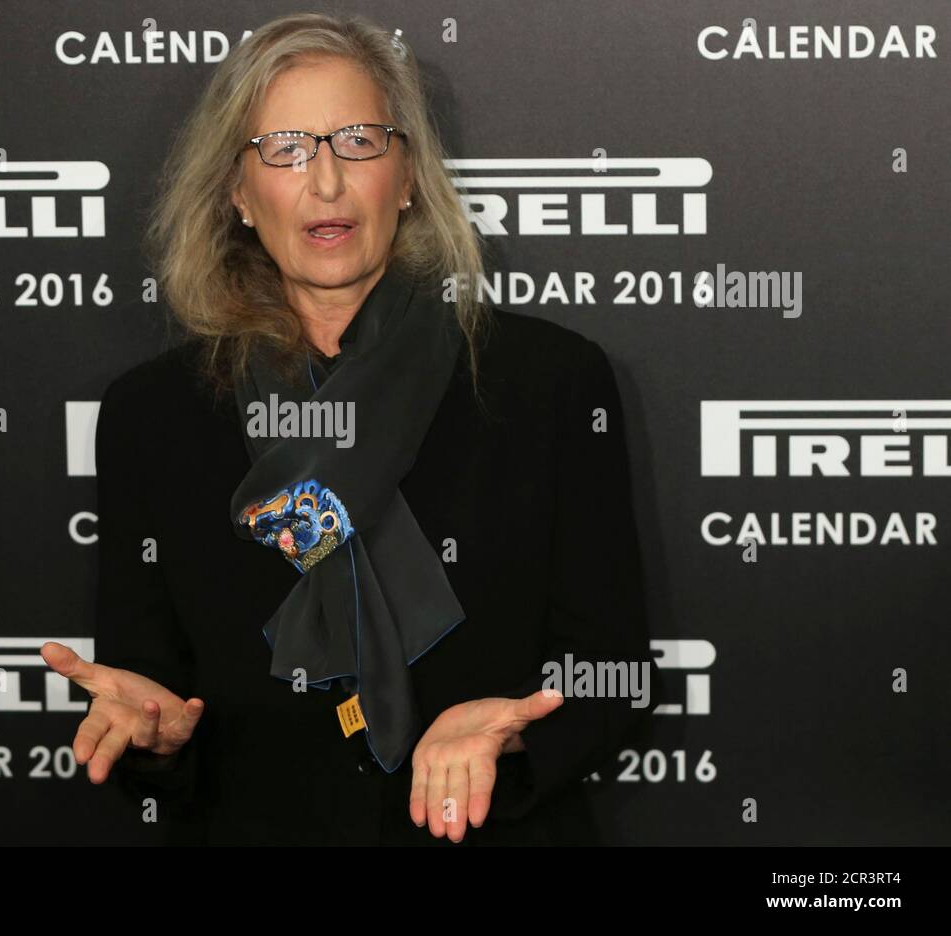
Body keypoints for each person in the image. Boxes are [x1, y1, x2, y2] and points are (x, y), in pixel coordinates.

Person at [42, 11, 659, 846]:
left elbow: (611, 674)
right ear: (236, 192)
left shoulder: (550, 382)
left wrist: (513, 735)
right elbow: (146, 685)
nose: (326, 182)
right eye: (286, 149)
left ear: (407, 179)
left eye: (360, 141)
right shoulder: (153, 414)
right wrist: (155, 735)